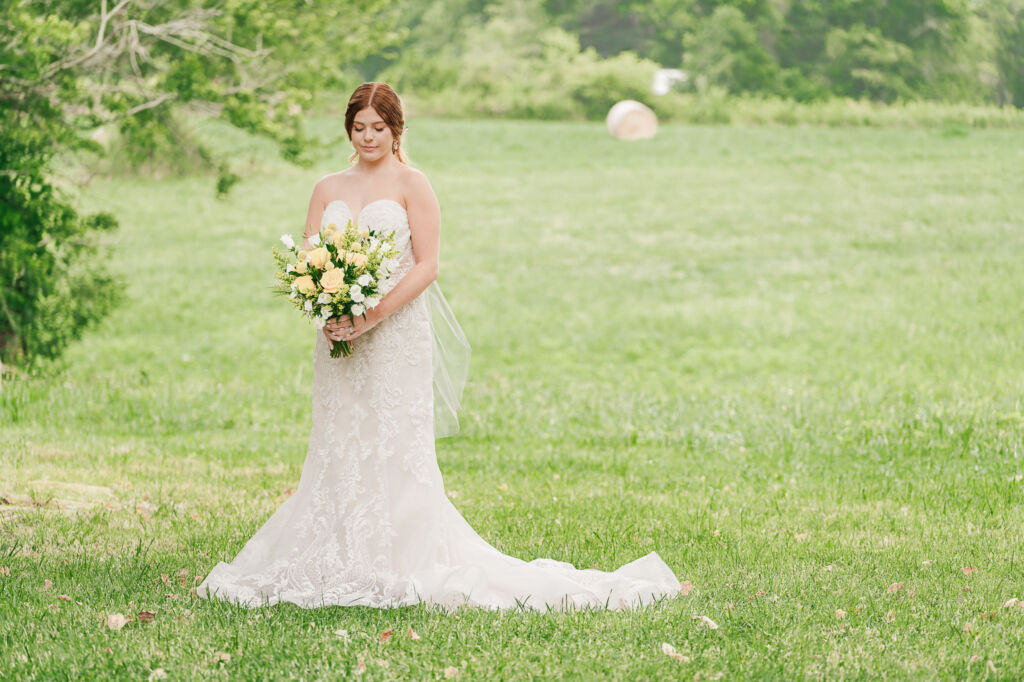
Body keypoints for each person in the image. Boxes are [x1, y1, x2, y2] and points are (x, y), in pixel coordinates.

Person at [196, 82, 682, 612]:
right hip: (337, 337)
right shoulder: (326, 186)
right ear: (347, 130)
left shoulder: (413, 184)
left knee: (392, 439)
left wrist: (371, 315)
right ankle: (336, 551)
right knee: (340, 438)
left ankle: (398, 555)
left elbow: (427, 265)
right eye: (358, 128)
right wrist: (327, 311)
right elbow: (311, 258)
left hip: (396, 335)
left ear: (396, 128)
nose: (367, 137)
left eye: (378, 128)